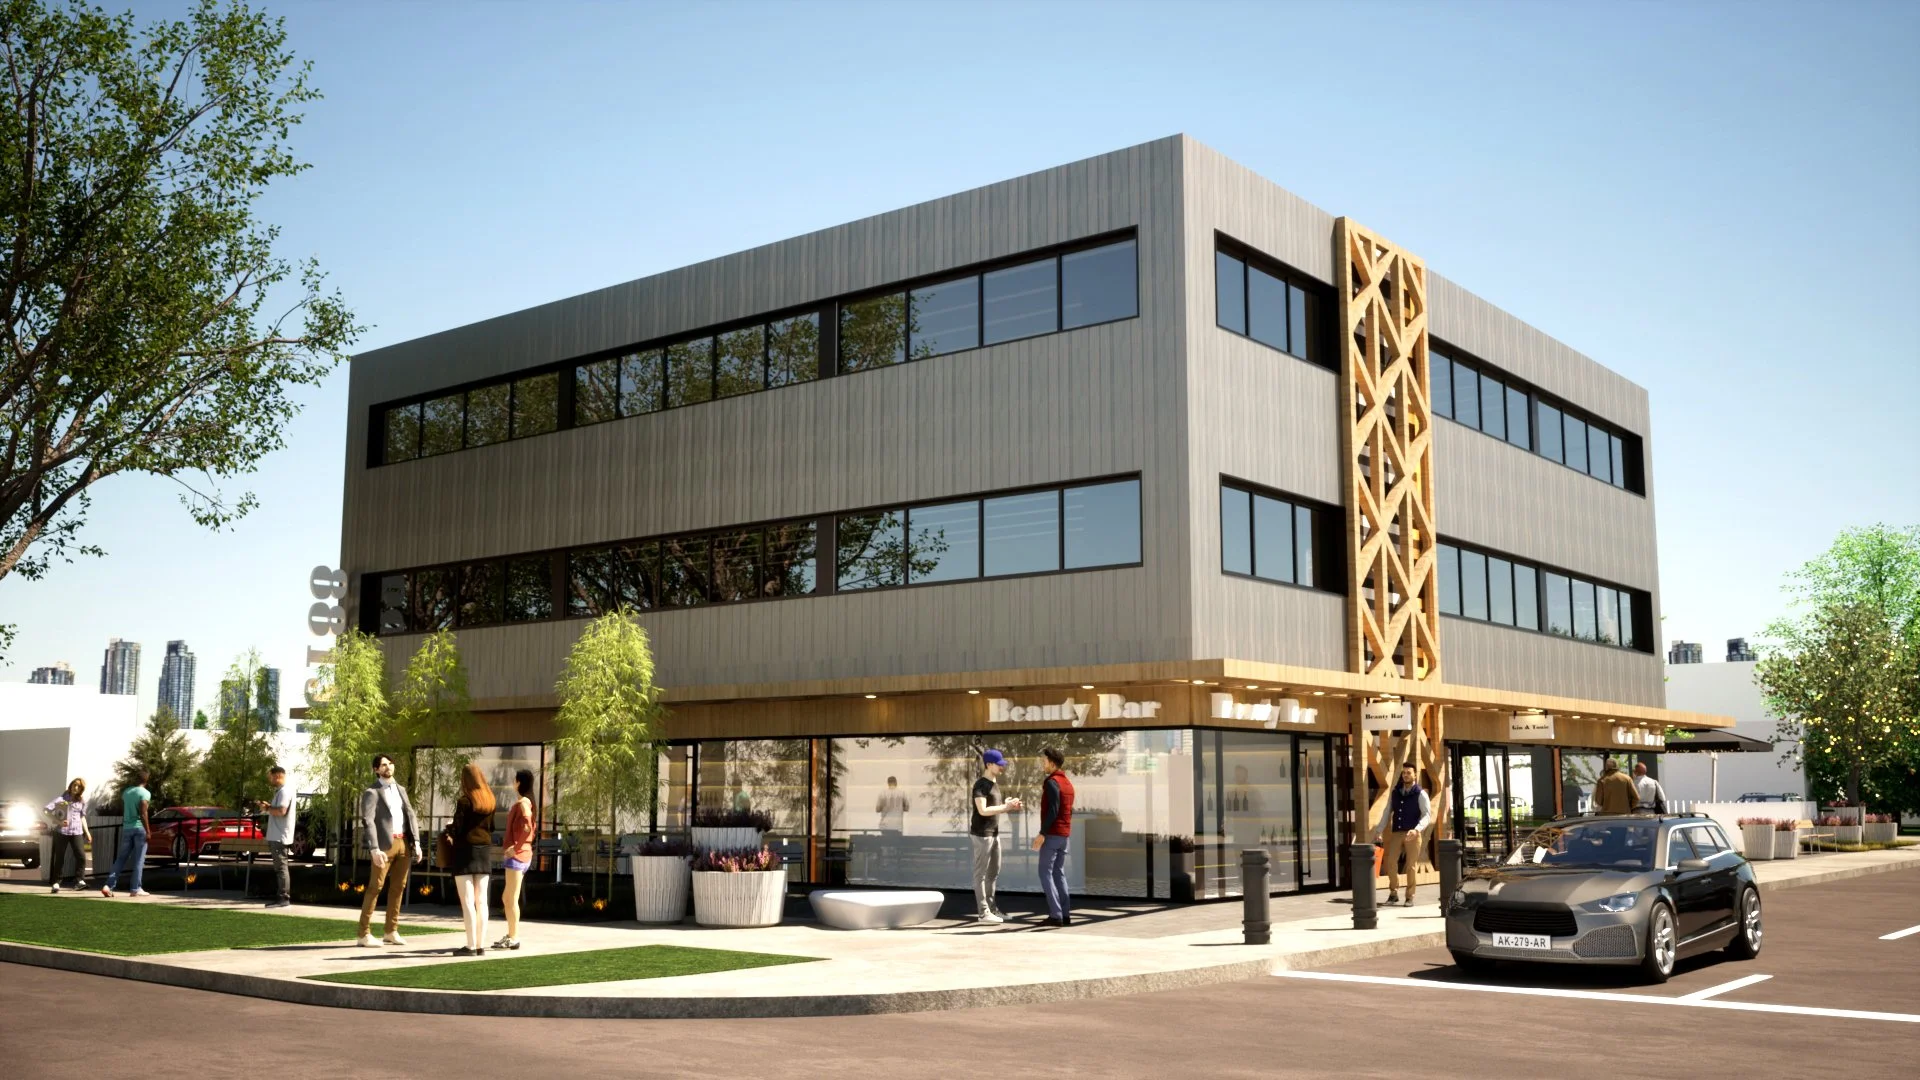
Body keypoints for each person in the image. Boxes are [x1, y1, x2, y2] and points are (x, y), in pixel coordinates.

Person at [357, 753, 424, 947]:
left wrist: (417, 842)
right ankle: (363, 933)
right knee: (375, 887)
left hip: (404, 843)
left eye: (390, 763)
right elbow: (368, 821)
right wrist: (374, 848)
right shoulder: (372, 792)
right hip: (384, 846)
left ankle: (391, 931)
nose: (388, 767)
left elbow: (411, 815)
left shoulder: (401, 789)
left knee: (398, 888)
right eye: (384, 765)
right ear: (376, 770)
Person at [969, 749, 1023, 925]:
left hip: (994, 833)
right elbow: (982, 810)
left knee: (993, 872)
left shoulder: (994, 783)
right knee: (981, 874)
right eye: (998, 765)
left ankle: (992, 909)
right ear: (988, 764)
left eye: (1002, 765)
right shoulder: (980, 785)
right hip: (982, 834)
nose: (1001, 767)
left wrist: (1008, 805)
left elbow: (994, 807)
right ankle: (983, 912)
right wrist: (1005, 808)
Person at [450, 761, 498, 955]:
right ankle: (480, 945)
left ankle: (469, 945)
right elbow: (492, 828)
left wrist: (449, 828)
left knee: (468, 901)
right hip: (484, 850)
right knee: (482, 901)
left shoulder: (465, 801)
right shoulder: (490, 800)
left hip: (465, 851)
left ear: (465, 780)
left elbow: (457, 828)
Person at [1372, 764, 1431, 907]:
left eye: (1409, 773)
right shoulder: (1396, 792)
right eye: (1404, 773)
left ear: (1415, 775)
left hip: (1413, 833)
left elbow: (1427, 815)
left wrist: (1417, 829)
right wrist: (1379, 830)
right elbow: (1387, 811)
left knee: (1410, 866)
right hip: (1397, 832)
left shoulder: (1420, 793)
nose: (1406, 775)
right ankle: (1393, 894)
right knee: (1390, 862)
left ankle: (1410, 897)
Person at [1031, 746, 1075, 927]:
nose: (1043, 764)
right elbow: (1068, 810)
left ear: (1052, 763)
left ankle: (1056, 914)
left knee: (1044, 872)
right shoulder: (1068, 783)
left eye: (1044, 761)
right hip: (1064, 835)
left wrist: (1042, 834)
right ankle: (1065, 914)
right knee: (1058, 873)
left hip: (1053, 835)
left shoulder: (1052, 782)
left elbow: (1053, 810)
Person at [494, 769, 536, 951]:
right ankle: (511, 934)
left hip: (518, 856)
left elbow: (528, 827)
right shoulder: (527, 802)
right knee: (507, 897)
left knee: (510, 899)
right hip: (521, 855)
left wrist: (515, 847)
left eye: (515, 780)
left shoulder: (522, 803)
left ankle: (514, 937)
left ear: (518, 782)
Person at [101, 770, 151, 897]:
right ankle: (136, 888)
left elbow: (124, 809)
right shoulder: (145, 793)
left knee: (121, 858)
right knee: (139, 859)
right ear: (146, 780)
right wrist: (148, 831)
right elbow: (143, 812)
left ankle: (108, 885)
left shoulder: (126, 792)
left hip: (127, 828)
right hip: (139, 828)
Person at [44, 778, 91, 892]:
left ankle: (80, 881)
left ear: (81, 789)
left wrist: (87, 832)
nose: (76, 788)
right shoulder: (61, 799)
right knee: (59, 858)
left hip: (77, 832)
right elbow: (46, 810)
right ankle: (56, 883)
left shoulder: (81, 801)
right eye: (74, 785)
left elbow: (82, 816)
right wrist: (59, 821)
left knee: (81, 857)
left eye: (79, 786)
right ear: (70, 786)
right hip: (62, 832)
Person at [259, 765, 296, 908]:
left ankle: (283, 898)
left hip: (280, 835)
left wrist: (268, 808)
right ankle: (282, 897)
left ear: (278, 776)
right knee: (281, 867)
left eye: (271, 777)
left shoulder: (285, 791)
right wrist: (269, 806)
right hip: (279, 834)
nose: (270, 780)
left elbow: (281, 811)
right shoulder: (282, 791)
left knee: (281, 867)